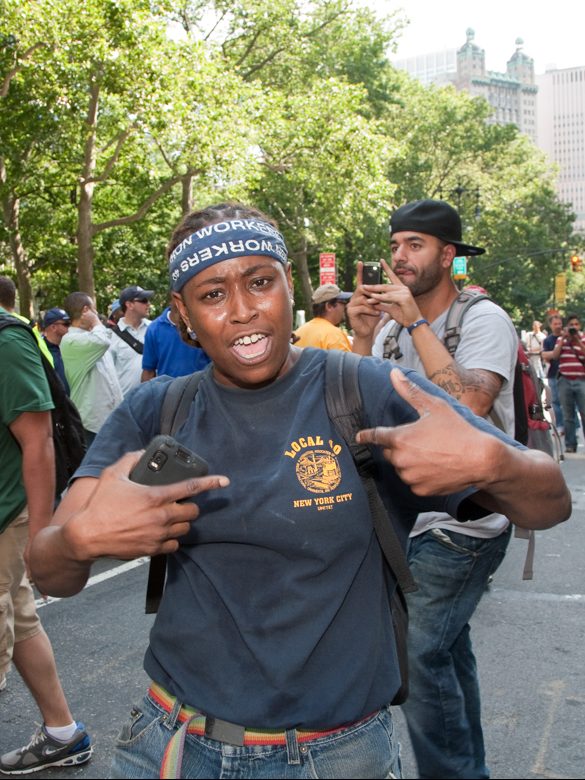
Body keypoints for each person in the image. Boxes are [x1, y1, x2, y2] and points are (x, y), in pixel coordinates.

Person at [28, 203, 570, 780]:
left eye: (260, 282)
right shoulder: (154, 409)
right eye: (212, 295)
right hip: (171, 746)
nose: (242, 312)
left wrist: (493, 462)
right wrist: (79, 541)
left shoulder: (362, 387)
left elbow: (549, 502)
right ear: (183, 315)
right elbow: (50, 572)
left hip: (336, 756)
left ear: (291, 285)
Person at [349, 198, 520, 780]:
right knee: (443, 651)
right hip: (409, 518)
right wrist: (364, 337)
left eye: (415, 245)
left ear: (448, 256)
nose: (399, 257)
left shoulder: (481, 318)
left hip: (466, 523)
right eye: (395, 244)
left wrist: (417, 324)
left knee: (417, 657)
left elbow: (470, 406)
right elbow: (356, 404)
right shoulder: (393, 323)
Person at [0, 308, 92, 775]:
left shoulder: (6, 341)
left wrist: (41, 542)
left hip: (3, 517)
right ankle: (63, 733)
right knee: (19, 618)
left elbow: (38, 443)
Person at [60, 292, 123, 448]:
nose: (97, 314)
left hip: (110, 419)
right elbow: (102, 341)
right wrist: (95, 321)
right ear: (86, 310)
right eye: (94, 310)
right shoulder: (71, 340)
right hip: (92, 423)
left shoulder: (93, 336)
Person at [543, 313, 585, 453]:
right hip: (564, 380)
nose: (574, 327)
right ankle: (570, 444)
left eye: (576, 325)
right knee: (568, 415)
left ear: (579, 326)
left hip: (581, 379)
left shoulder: (583, 338)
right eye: (571, 325)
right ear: (567, 326)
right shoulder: (561, 339)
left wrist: (577, 341)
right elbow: (554, 355)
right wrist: (563, 340)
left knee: (584, 412)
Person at [141, 299, 210, 381]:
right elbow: (148, 371)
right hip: (167, 390)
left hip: (201, 388)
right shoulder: (154, 329)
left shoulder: (202, 323)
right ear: (172, 298)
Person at [109, 286, 153, 396]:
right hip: (125, 404)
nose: (148, 304)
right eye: (144, 300)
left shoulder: (154, 329)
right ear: (129, 305)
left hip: (154, 399)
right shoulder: (111, 336)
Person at [293, 283, 352, 350]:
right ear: (329, 306)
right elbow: (348, 360)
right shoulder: (334, 335)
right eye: (343, 302)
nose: (346, 306)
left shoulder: (299, 332)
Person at [542, 314, 565, 432]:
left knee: (570, 403)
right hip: (553, 374)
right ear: (551, 325)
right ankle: (560, 425)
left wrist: (552, 354)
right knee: (556, 401)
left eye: (559, 323)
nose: (558, 326)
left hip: (567, 375)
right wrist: (555, 353)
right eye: (555, 324)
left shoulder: (568, 337)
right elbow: (545, 356)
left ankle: (573, 428)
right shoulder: (548, 340)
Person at [41, 307, 71, 395]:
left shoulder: (69, 347)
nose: (70, 327)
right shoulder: (42, 351)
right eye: (66, 324)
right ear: (53, 327)